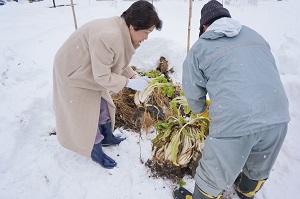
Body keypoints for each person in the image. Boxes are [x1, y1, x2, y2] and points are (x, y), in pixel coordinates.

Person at [173, 1, 290, 199]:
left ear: (204, 27)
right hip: (278, 115)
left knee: (212, 175)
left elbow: (192, 92)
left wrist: (201, 110)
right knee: (259, 166)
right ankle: (246, 193)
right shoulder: (255, 35)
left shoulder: (201, 46)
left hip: (236, 120)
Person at [53, 0, 162, 169]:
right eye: (147, 32)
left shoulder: (121, 29)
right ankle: (93, 148)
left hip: (89, 67)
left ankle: (106, 135)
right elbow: (103, 76)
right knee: (85, 113)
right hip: (73, 70)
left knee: (103, 103)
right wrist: (128, 83)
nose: (147, 38)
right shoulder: (109, 36)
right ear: (133, 26)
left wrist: (133, 75)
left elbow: (117, 62)